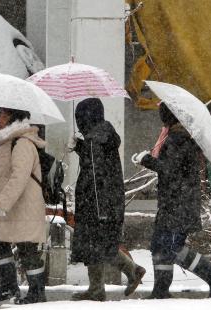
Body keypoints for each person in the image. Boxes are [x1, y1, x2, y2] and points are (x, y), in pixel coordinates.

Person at [132, 102, 211, 299]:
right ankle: (161, 290)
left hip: (178, 204)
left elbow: (168, 169)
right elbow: (171, 168)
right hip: (174, 202)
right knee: (159, 245)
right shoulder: (176, 137)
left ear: (169, 117)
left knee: (172, 247)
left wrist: (146, 160)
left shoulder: (177, 139)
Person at [70, 98, 145, 301]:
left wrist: (99, 209)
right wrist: (81, 147)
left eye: (79, 117)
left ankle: (98, 288)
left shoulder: (95, 140)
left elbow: (94, 176)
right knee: (101, 243)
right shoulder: (103, 136)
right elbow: (100, 167)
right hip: (109, 200)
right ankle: (130, 272)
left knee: (93, 243)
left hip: (95, 203)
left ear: (86, 118)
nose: (78, 122)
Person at [0, 107, 47, 304]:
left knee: (27, 248)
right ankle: (9, 287)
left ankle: (37, 293)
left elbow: (19, 177)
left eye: (3, 116)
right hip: (12, 207)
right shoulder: (6, 143)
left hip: (24, 206)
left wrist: (2, 203)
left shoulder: (22, 143)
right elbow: (6, 174)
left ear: (15, 119)